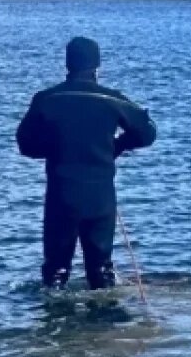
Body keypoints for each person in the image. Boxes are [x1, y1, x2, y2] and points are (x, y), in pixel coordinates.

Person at [16, 36, 157, 290]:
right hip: (100, 197)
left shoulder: (46, 99)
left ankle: (56, 322)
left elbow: (25, 143)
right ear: (97, 66)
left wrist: (57, 148)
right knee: (101, 270)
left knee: (56, 271)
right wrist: (117, 146)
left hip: (62, 196)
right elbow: (147, 133)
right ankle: (104, 324)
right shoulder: (113, 100)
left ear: (67, 64)